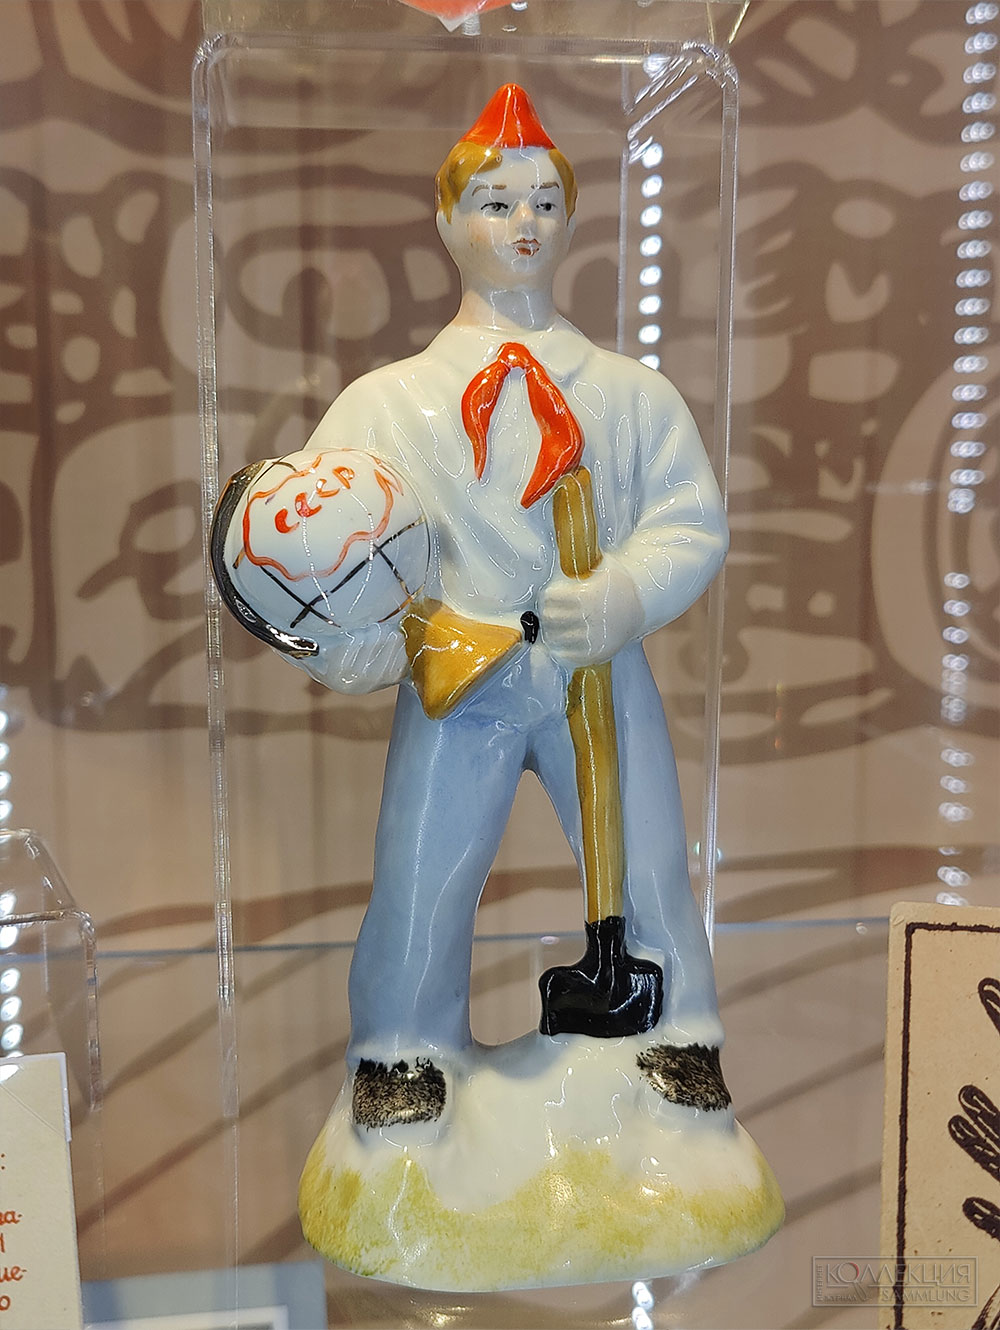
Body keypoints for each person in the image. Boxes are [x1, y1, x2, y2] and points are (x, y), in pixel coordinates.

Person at [291, 84, 730, 1128]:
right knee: (422, 873)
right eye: (495, 202)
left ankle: (676, 1033)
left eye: (543, 202)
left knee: (646, 857)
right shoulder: (385, 403)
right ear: (447, 221)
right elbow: (319, 543)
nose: (523, 223)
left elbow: (691, 519)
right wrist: (354, 640)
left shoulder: (629, 394)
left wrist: (624, 592)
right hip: (460, 676)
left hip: (595, 673)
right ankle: (401, 1049)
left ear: (570, 220)